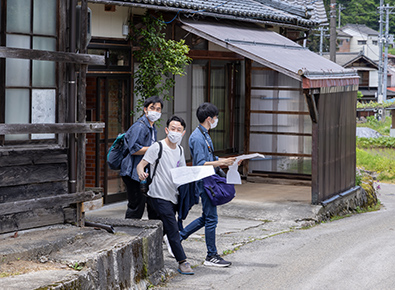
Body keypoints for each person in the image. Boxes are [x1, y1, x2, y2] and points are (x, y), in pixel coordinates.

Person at [180, 103, 236, 267]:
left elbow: (209, 157)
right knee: (212, 219)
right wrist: (222, 162)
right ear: (209, 119)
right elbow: (200, 163)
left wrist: (224, 161)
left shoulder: (204, 134)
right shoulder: (198, 137)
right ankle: (211, 255)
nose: (217, 120)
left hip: (208, 181)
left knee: (207, 217)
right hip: (205, 183)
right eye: (216, 117)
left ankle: (178, 238)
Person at [136, 115, 194, 275]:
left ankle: (143, 256)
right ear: (167, 130)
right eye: (172, 129)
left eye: (179, 130)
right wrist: (141, 174)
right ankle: (183, 262)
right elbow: (141, 165)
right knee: (172, 228)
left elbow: (182, 173)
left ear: (183, 133)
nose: (175, 132)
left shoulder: (181, 150)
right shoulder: (158, 147)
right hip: (157, 195)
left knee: (157, 229)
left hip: (172, 196)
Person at [120, 96, 163, 220]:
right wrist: (154, 149)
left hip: (142, 173)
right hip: (132, 172)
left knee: (148, 205)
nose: (155, 111)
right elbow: (134, 149)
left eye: (158, 109)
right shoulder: (140, 126)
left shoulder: (151, 127)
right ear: (145, 109)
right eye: (152, 108)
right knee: (136, 207)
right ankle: (127, 235)